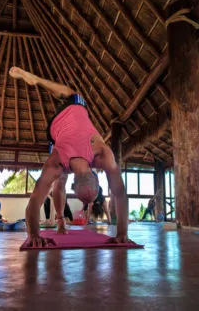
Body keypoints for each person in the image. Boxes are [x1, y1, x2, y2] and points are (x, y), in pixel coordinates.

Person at [9, 66, 134, 247]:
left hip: (72, 112)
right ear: (74, 185)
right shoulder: (58, 163)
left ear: (96, 177)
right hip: (55, 134)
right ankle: (35, 79)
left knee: (74, 95)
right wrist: (121, 234)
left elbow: (120, 193)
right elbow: (34, 202)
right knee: (58, 182)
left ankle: (61, 221)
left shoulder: (101, 153)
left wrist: (33, 235)